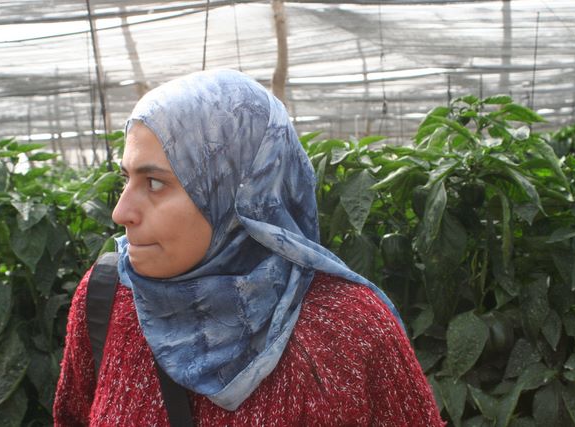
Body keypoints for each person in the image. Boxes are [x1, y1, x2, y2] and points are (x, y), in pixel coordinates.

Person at [53, 69, 445, 426]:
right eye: (126, 178)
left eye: (155, 183)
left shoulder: (351, 329)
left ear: (237, 196)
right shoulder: (108, 297)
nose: (121, 212)